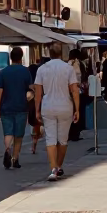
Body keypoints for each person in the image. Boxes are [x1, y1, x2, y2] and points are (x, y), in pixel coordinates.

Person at [35, 41, 80, 182]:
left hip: (48, 106)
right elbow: (74, 90)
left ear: (49, 53)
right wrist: (77, 109)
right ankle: (58, 166)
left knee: (50, 139)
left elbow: (38, 92)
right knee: (63, 139)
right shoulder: (68, 69)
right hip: (65, 106)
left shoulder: (42, 69)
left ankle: (53, 169)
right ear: (61, 53)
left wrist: (36, 109)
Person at [0, 47, 34, 169]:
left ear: (10, 58)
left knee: (8, 132)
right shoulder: (25, 71)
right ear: (21, 57)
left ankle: (7, 149)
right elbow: (31, 88)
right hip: (21, 107)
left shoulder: (3, 72)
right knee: (19, 135)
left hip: (6, 107)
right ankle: (15, 159)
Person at [68, 48, 90, 142]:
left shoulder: (67, 64)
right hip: (78, 91)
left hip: (68, 91)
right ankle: (75, 133)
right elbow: (82, 77)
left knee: (70, 112)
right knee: (78, 111)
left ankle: (69, 133)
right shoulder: (79, 63)